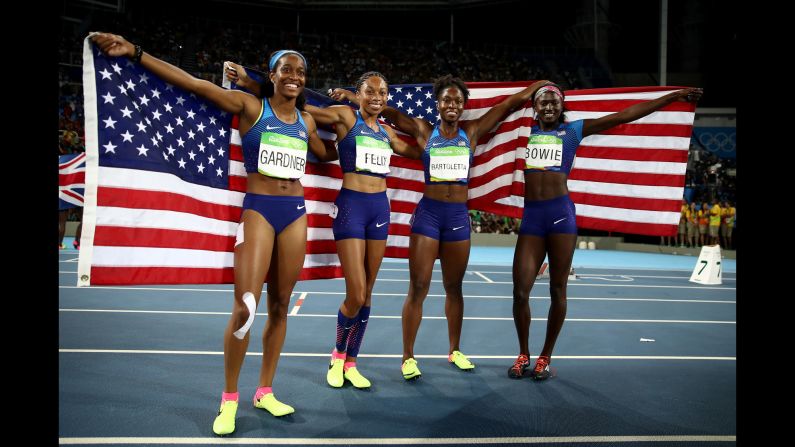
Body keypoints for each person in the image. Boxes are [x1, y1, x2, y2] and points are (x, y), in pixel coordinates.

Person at [91, 34, 338, 436]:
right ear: (271, 75)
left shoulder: (308, 120)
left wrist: (355, 138)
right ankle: (228, 399)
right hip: (259, 211)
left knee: (280, 305)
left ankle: (265, 390)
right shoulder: (249, 106)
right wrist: (136, 53)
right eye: (286, 69)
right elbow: (192, 85)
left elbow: (326, 154)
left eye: (301, 71)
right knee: (245, 307)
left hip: (296, 213)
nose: (294, 76)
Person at [330, 76, 551, 380]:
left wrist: (535, 87)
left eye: (457, 101)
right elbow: (388, 113)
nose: (452, 105)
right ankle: (408, 356)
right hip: (429, 217)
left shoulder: (471, 131)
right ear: (437, 103)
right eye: (446, 100)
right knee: (418, 288)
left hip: (458, 218)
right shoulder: (423, 129)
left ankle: (455, 349)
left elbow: (505, 107)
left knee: (454, 287)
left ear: (464, 106)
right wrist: (356, 100)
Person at [227, 64, 421, 389]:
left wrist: (435, 139)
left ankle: (351, 362)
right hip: (351, 208)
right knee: (356, 292)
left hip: (380, 211)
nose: (376, 97)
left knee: (368, 293)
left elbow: (418, 152)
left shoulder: (387, 133)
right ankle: (337, 352)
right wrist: (251, 82)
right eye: (369, 91)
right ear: (357, 94)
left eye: (382, 93)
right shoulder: (347, 117)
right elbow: (304, 107)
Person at [508, 83, 702, 380]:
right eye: (542, 102)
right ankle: (523, 353)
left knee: (557, 289)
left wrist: (673, 97)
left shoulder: (573, 131)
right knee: (521, 292)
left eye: (553, 103)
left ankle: (545, 357)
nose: (548, 107)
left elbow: (624, 115)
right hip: (532, 220)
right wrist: (534, 87)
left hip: (560, 217)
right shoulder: (523, 132)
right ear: (535, 106)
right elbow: (497, 112)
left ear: (562, 106)